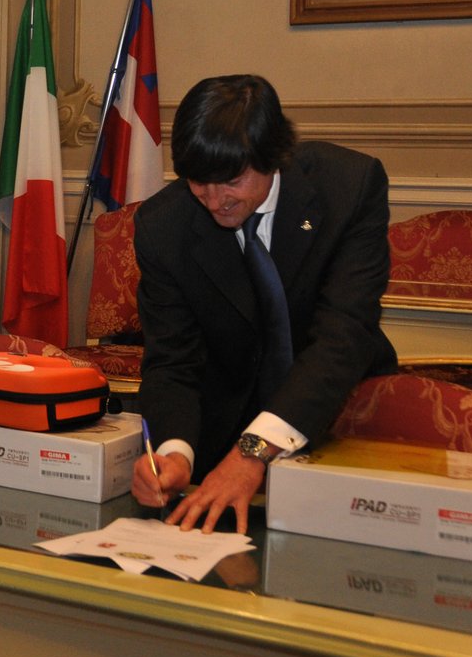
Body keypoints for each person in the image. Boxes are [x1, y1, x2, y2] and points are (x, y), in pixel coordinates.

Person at [130, 74, 396, 534]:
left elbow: (343, 336)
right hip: (220, 438)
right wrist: (175, 452)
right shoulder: (163, 225)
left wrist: (255, 449)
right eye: (198, 182)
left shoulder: (349, 187)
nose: (214, 201)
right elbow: (173, 362)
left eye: (231, 180)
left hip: (341, 416)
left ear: (274, 158)